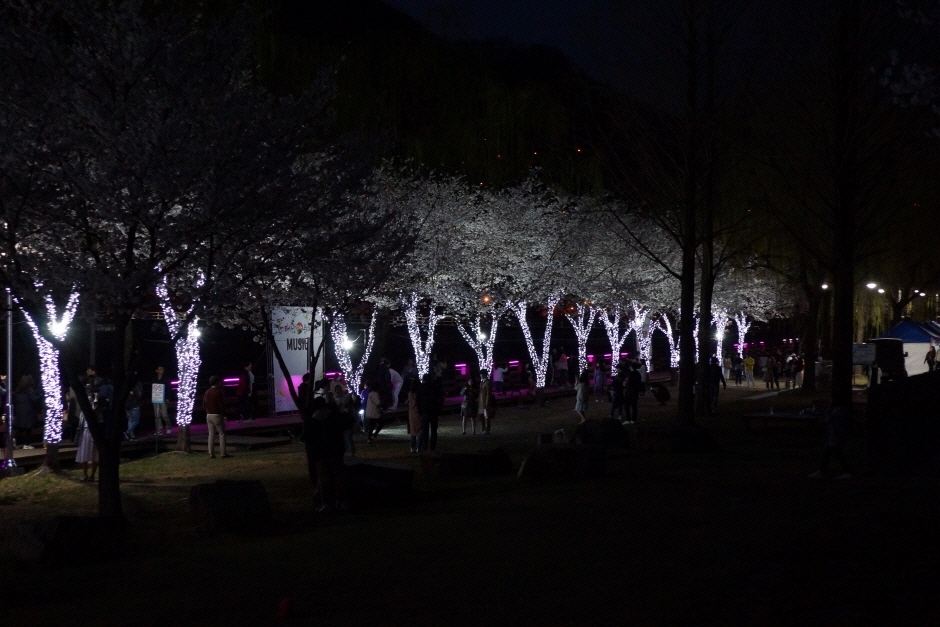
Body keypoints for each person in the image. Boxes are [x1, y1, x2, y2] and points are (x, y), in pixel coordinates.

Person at [304, 396, 347, 513]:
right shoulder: (335, 417)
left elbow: (308, 438)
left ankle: (327, 503)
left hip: (321, 453)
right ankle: (340, 501)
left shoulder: (313, 420)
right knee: (338, 477)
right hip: (336, 451)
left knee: (324, 478)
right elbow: (347, 423)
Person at [808, 404, 853, 479]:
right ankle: (822, 471)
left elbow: (829, 419)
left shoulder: (837, 412)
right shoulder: (840, 411)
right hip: (835, 434)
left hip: (835, 434)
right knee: (832, 452)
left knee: (835, 452)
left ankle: (846, 471)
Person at [203, 375, 229, 458]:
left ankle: (211, 453)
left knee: (211, 435)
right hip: (217, 415)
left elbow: (204, 404)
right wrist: (224, 415)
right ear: (217, 382)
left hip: (209, 415)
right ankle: (223, 453)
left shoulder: (207, 392)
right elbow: (221, 405)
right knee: (222, 434)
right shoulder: (218, 392)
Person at [12, 375, 40, 450]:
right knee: (28, 429)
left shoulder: (18, 389)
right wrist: (40, 396)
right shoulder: (29, 389)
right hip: (28, 411)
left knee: (21, 428)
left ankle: (13, 439)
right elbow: (33, 399)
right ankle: (27, 444)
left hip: (20, 411)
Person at [417, 372, 444, 452]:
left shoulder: (420, 387)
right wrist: (439, 409)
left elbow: (418, 401)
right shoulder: (435, 387)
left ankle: (424, 447)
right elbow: (441, 398)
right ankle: (433, 447)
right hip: (434, 411)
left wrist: (420, 411)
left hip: (424, 411)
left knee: (425, 430)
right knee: (434, 430)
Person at [151, 365, 172, 434]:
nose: (162, 370)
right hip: (156, 398)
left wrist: (167, 398)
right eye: (160, 369)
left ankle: (168, 427)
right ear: (157, 371)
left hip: (163, 398)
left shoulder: (166, 378)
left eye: (162, 369)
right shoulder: (154, 379)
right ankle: (159, 429)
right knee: (157, 415)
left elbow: (169, 389)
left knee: (164, 414)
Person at [124, 374, 142, 441]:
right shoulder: (135, 385)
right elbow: (139, 395)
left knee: (130, 420)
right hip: (134, 405)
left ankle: (131, 436)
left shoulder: (125, 385)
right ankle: (127, 432)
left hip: (127, 405)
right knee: (136, 421)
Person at [406, 377, 422, 452]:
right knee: (419, 430)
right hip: (417, 412)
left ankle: (412, 447)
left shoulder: (410, 393)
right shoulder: (418, 394)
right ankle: (419, 447)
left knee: (413, 430)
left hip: (411, 412)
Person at [478, 369, 495, 435]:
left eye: (481, 374)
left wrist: (487, 402)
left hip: (485, 401)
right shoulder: (482, 382)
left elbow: (488, 394)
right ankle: (483, 428)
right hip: (481, 401)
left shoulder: (488, 383)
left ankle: (487, 429)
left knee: (486, 416)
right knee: (481, 415)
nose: (480, 375)